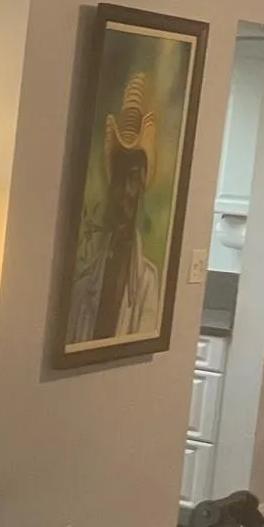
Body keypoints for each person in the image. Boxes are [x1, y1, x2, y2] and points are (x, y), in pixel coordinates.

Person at [68, 71, 164, 344]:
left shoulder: (147, 283)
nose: (127, 192)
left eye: (134, 179)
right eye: (121, 179)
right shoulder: (84, 282)